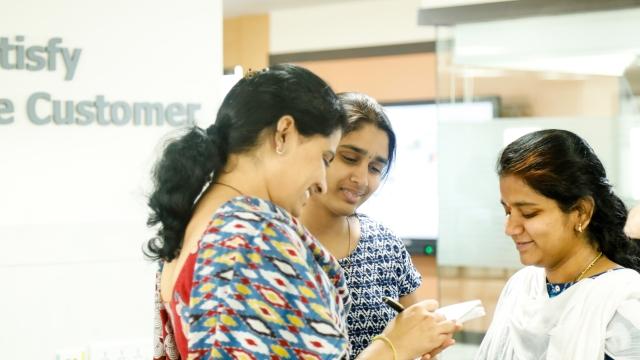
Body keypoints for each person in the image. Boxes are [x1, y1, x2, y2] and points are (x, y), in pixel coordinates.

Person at [146, 64, 459, 360]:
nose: (321, 182)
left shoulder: (200, 219)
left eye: (376, 167)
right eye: (326, 157)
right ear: (283, 134)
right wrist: (393, 346)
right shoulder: (252, 236)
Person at [476, 129, 640, 360]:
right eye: (507, 211)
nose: (510, 228)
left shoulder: (624, 303)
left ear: (581, 212)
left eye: (529, 213)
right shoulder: (522, 286)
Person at [301, 92, 429, 358]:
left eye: (374, 168)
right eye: (349, 158)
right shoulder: (275, 245)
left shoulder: (384, 244)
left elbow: (419, 334)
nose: (360, 178)